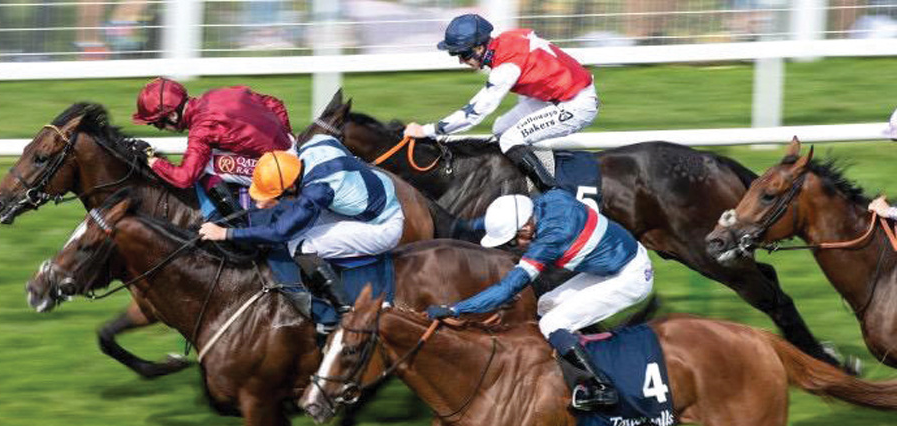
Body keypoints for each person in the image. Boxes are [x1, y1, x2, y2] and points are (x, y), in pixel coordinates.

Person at [426, 191, 654, 411]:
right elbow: (510, 213)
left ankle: (602, 388)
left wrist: (456, 308)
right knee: (545, 304)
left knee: (551, 324)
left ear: (526, 228)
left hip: (630, 278)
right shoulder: (546, 201)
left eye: (514, 241)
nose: (517, 245)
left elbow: (507, 288)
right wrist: (468, 226)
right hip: (618, 263)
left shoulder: (550, 239)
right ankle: (570, 353)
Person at [198, 134, 405, 312]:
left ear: (289, 187)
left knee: (299, 245)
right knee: (299, 228)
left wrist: (225, 234)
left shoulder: (316, 191)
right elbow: (331, 138)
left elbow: (280, 232)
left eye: (276, 195)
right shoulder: (313, 145)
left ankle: (344, 308)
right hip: (377, 194)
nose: (261, 205)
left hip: (383, 226)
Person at [402, 14, 599, 192]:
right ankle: (526, 178)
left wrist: (427, 131)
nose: (461, 61)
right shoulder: (505, 40)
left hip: (576, 104)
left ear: (479, 48)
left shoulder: (506, 67)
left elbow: (475, 113)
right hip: (555, 97)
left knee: (510, 139)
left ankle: (552, 193)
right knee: (501, 128)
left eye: (463, 54)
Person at [132, 77, 295, 222]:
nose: (160, 129)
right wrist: (286, 137)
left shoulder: (201, 129)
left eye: (158, 123)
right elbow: (275, 103)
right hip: (291, 146)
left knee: (205, 166)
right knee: (211, 155)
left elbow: (185, 178)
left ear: (173, 115)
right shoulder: (216, 94)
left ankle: (238, 224)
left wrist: (151, 161)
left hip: (279, 170)